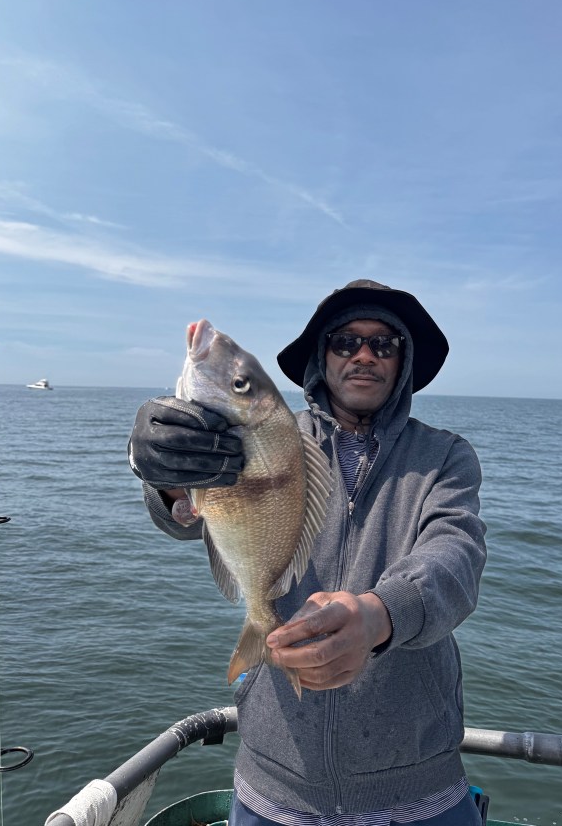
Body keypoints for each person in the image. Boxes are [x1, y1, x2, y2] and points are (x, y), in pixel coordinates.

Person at [128, 280, 487, 826]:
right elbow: (187, 514)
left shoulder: (445, 457)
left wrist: (380, 615)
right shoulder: (263, 436)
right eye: (345, 341)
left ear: (403, 361)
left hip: (421, 785)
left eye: (383, 344)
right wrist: (171, 481)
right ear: (322, 358)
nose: (364, 354)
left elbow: (455, 557)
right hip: (272, 785)